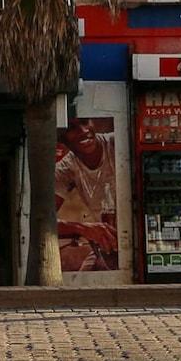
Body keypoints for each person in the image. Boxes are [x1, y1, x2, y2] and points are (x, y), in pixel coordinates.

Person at [55, 117, 118, 273]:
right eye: (72, 127)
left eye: (84, 122)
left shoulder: (116, 143)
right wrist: (83, 229)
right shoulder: (66, 168)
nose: (83, 131)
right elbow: (43, 221)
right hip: (109, 246)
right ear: (62, 138)